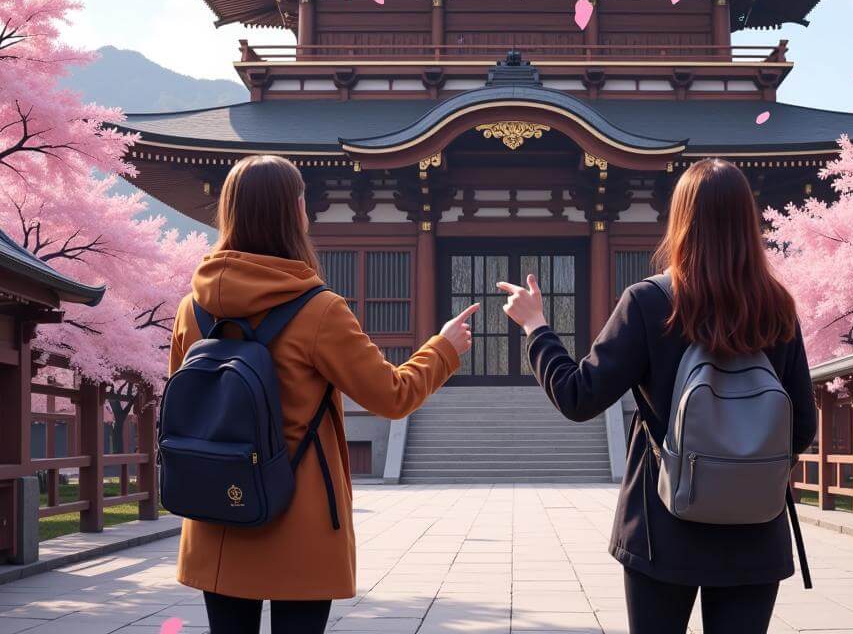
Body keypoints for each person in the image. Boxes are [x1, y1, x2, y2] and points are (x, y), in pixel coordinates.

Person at [498, 158, 816, 634]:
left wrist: (536, 326)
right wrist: (741, 466)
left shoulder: (649, 302)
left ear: (681, 220)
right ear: (748, 222)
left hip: (663, 526)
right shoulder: (776, 308)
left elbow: (578, 396)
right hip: (755, 527)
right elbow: (803, 424)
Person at [167, 155, 478, 634]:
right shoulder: (317, 310)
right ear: (295, 211)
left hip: (216, 510)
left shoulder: (193, 308)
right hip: (298, 518)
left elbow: (182, 407)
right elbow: (392, 396)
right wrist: (443, 349)